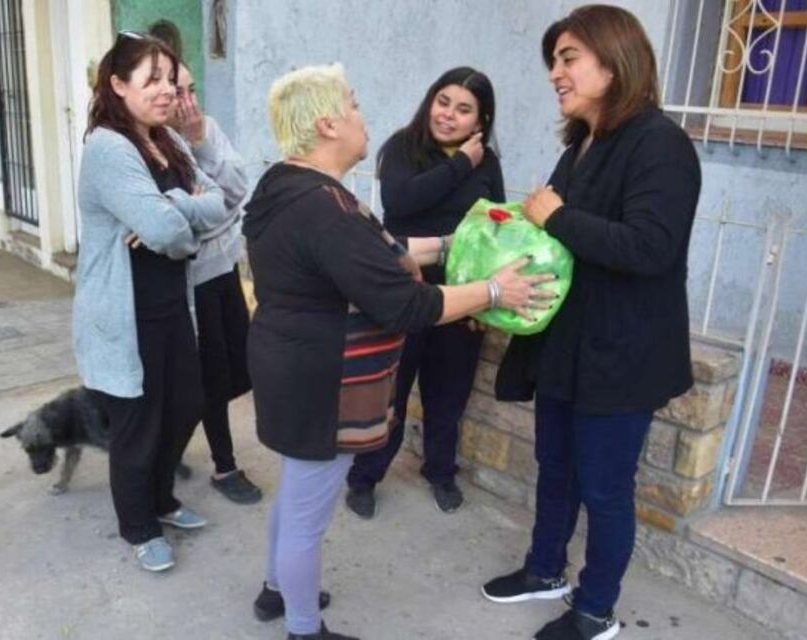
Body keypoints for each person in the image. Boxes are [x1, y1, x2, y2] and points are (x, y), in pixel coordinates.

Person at [243, 63, 555, 640]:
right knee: (307, 518)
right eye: (355, 105)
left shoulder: (290, 185)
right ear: (328, 123)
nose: (365, 116)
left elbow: (378, 248)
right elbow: (408, 306)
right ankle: (303, 629)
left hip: (292, 364)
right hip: (320, 380)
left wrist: (453, 244)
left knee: (297, 495)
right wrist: (493, 291)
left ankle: (277, 590)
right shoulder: (322, 208)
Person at [480, 6, 701, 640]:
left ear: (614, 60)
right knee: (555, 468)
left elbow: (650, 248)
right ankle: (544, 569)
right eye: (553, 60)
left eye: (568, 57)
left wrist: (553, 217)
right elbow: (559, 238)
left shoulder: (661, 144)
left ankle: (595, 609)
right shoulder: (582, 143)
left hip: (622, 354)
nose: (556, 72)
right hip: (567, 344)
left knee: (605, 491)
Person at [73, 31, 228, 572]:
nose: (166, 91)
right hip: (125, 313)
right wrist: (179, 218)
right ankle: (138, 526)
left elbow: (223, 204)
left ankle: (162, 500)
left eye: (171, 79)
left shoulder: (170, 141)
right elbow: (168, 233)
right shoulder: (108, 147)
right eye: (152, 79)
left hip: (169, 305)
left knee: (184, 405)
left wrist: (174, 206)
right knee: (137, 426)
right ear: (117, 85)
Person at [345, 67, 505, 517]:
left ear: (481, 120)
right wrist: (460, 165)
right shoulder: (403, 147)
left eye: (464, 109)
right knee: (392, 395)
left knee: (448, 396)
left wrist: (484, 300)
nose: (449, 115)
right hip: (404, 293)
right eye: (443, 101)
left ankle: (440, 471)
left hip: (461, 297)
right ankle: (365, 476)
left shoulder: (487, 162)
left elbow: (491, 226)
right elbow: (400, 204)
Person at [162, 56, 263, 504]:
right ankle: (221, 465)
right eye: (175, 91)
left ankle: (195, 461)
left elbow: (238, 191)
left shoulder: (205, 129)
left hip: (223, 268)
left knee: (231, 368)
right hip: (187, 281)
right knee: (202, 377)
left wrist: (202, 142)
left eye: (191, 89)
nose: (186, 102)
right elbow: (181, 223)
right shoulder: (151, 144)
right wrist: (213, 210)